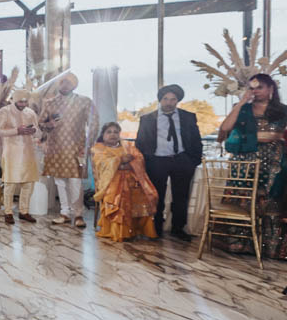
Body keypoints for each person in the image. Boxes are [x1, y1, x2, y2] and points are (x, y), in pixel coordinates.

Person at [218, 73, 287, 258]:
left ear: (271, 89)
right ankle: (240, 244)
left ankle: (270, 247)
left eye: (260, 87)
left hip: (274, 162)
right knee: (244, 199)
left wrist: (276, 138)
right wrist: (241, 103)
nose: (255, 91)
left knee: (271, 199)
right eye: (252, 88)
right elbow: (225, 129)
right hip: (244, 161)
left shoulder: (282, 110)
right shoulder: (242, 109)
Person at [135, 84, 203, 241]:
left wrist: (193, 160)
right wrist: (146, 162)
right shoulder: (147, 119)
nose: (169, 102)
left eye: (173, 99)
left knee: (181, 196)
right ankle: (156, 228)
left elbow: (196, 140)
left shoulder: (188, 116)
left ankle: (178, 228)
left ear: (177, 101)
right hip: (157, 161)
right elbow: (140, 143)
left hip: (181, 160)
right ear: (160, 100)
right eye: (165, 99)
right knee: (157, 195)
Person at [39, 72, 98, 228]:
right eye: (63, 83)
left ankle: (78, 214)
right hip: (56, 148)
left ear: (74, 85)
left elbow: (94, 124)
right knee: (60, 182)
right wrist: (48, 125)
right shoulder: (50, 103)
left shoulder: (84, 102)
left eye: (69, 83)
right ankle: (64, 213)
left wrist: (87, 145)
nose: (65, 86)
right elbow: (41, 123)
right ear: (59, 84)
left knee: (75, 181)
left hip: (76, 148)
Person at [92, 122, 159, 242]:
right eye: (109, 132)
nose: (113, 134)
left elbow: (139, 158)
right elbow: (101, 164)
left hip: (133, 179)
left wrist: (125, 164)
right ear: (103, 135)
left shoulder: (128, 146)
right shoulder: (99, 148)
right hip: (111, 181)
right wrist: (120, 160)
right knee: (120, 195)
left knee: (145, 195)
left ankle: (138, 230)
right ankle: (118, 232)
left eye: (116, 132)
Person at [0, 89, 40, 224]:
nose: (23, 104)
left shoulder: (30, 113)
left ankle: (23, 211)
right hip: (11, 153)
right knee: (10, 183)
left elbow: (39, 133)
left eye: (25, 101)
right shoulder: (4, 112)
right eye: (20, 101)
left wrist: (34, 131)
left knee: (29, 183)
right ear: (14, 100)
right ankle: (8, 212)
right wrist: (16, 131)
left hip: (28, 153)